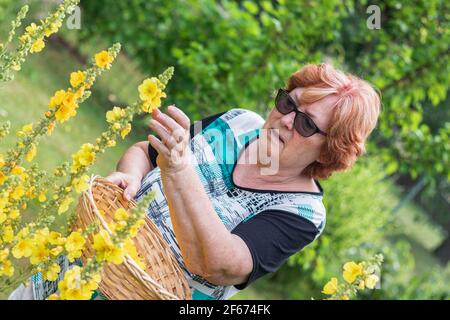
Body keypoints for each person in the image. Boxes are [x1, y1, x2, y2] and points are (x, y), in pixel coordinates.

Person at [9, 63, 381, 300]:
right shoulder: (237, 123)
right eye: (288, 104)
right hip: (71, 269)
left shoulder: (302, 212)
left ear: (329, 150)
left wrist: (179, 170)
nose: (285, 119)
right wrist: (130, 174)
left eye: (306, 124)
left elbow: (220, 264)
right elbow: (144, 152)